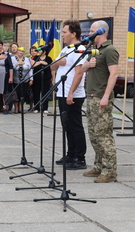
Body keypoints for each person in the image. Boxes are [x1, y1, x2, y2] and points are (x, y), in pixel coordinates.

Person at [83, 20, 119, 183]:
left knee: (104, 135)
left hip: (101, 97)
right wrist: (88, 64)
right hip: (90, 96)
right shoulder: (94, 50)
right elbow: (83, 68)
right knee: (94, 134)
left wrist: (106, 96)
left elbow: (114, 74)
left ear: (101, 31)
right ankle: (98, 165)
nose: (89, 33)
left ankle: (110, 170)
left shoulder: (110, 50)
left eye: (92, 30)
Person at [51, 20, 88, 170]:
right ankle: (70, 154)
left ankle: (80, 158)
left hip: (73, 94)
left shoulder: (79, 49)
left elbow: (79, 73)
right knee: (66, 125)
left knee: (75, 126)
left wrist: (71, 92)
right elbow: (52, 66)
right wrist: (59, 62)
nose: (62, 35)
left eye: (65, 32)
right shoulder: (65, 49)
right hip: (62, 92)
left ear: (73, 34)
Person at [31, 44, 53, 113]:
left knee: (45, 92)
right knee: (36, 92)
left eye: (41, 50)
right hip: (37, 78)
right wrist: (40, 62)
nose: (40, 52)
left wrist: (52, 78)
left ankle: (45, 108)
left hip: (46, 78)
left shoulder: (49, 58)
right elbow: (33, 65)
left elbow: (50, 67)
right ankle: (36, 108)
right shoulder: (35, 58)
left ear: (45, 51)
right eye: (39, 50)